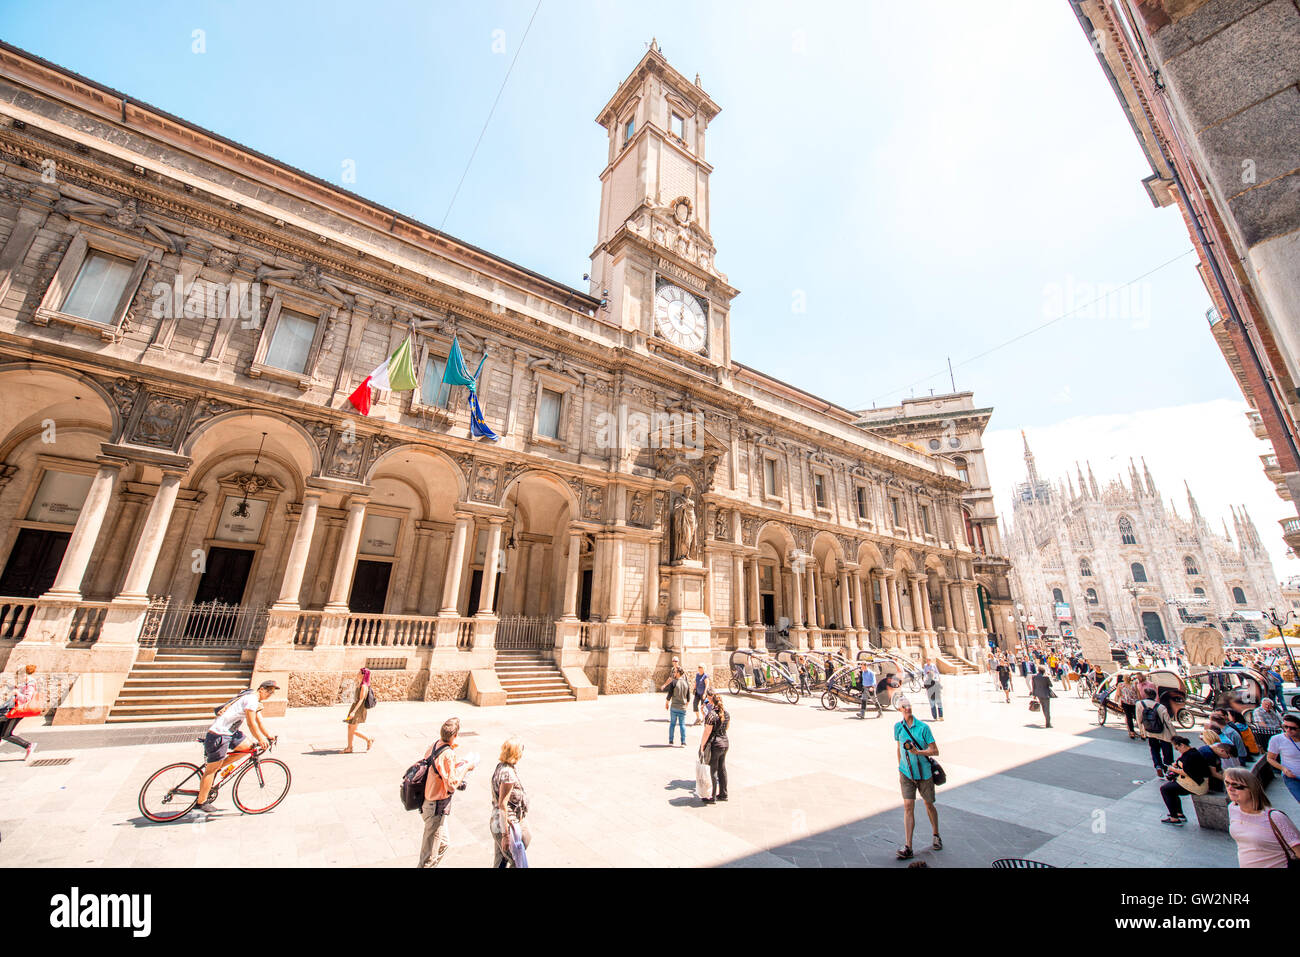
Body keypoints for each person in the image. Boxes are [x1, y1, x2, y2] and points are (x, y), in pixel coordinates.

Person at [193, 680, 278, 814]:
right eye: (268, 691)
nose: (269, 694)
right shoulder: (251, 700)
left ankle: (219, 766)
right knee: (210, 770)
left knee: (249, 747)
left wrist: (269, 735)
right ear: (261, 689)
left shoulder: (253, 700)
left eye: (272, 693)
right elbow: (251, 724)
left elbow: (259, 721)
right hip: (219, 735)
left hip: (230, 733)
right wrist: (261, 738)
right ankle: (201, 802)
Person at [419, 717, 476, 868]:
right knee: (428, 858)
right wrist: (466, 768)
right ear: (455, 735)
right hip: (435, 808)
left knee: (443, 844)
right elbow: (451, 786)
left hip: (427, 803)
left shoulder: (435, 745)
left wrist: (455, 764)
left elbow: (434, 765)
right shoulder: (448, 753)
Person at [893, 696, 940, 860]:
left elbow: (935, 751)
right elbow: (898, 748)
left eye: (909, 705)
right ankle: (908, 846)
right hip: (906, 773)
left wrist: (918, 752)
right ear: (899, 709)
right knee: (908, 806)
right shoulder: (898, 728)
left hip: (924, 774)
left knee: (929, 805)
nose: (907, 708)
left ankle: (936, 834)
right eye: (904, 706)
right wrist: (901, 766)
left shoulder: (923, 727)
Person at [1225, 767, 1300, 867]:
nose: (1230, 788)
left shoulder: (1275, 817)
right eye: (1227, 783)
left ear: (1252, 789)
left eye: (1236, 785)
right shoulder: (1232, 808)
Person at [490, 735, 530, 868]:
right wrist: (506, 835)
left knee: (500, 859)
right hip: (505, 824)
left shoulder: (501, 766)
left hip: (498, 822)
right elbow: (503, 804)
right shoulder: (508, 774)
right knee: (516, 861)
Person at [1158, 736, 1212, 825]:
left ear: (1182, 745)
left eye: (1177, 748)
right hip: (1197, 783)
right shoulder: (1192, 753)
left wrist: (1173, 769)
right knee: (1171, 789)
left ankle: (1174, 817)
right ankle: (1178, 814)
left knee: (1165, 789)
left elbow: (1187, 772)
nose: (1177, 750)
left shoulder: (1191, 755)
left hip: (1197, 785)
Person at [1, 663, 39, 762]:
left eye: (19, 673)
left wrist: (17, 693)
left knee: (6, 734)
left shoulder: (30, 683)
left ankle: (28, 745)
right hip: (11, 709)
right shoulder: (24, 683)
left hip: (16, 711)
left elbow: (27, 698)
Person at [1135, 688, 1174, 775]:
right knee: (1167, 749)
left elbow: (1139, 719)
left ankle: (1158, 765)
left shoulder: (1139, 704)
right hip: (1163, 732)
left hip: (1150, 731)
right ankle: (1168, 767)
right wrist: (1174, 735)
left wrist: (1142, 732)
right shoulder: (1161, 707)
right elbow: (1168, 722)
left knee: (1154, 749)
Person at [700, 690, 729, 804]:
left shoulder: (711, 715)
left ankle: (712, 796)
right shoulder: (726, 713)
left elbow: (707, 732)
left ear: (712, 702)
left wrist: (702, 745)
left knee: (713, 769)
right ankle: (723, 794)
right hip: (725, 742)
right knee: (722, 768)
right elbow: (726, 728)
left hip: (715, 744)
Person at [1266, 713, 1300, 805]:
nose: (1288, 730)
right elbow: (1270, 758)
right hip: (1292, 777)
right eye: (1285, 727)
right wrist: (1283, 769)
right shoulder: (1277, 739)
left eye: (1292, 728)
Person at [343, 667, 374, 753]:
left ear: (363, 675)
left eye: (359, 672)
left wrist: (353, 711)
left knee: (353, 729)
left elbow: (361, 700)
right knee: (350, 727)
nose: (357, 673)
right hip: (355, 707)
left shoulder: (364, 686)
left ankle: (368, 739)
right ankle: (350, 747)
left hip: (358, 709)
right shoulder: (360, 684)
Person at [667, 667, 691, 747]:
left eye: (675, 672)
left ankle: (671, 741)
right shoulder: (686, 683)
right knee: (682, 725)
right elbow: (688, 698)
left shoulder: (673, 682)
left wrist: (667, 703)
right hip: (682, 707)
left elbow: (669, 694)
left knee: (672, 724)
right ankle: (683, 742)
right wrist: (685, 706)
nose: (674, 673)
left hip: (674, 706)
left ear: (678, 673)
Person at [1118, 674, 1140, 739]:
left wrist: (1118, 700)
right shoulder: (1134, 685)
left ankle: (1132, 732)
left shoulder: (1120, 685)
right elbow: (1138, 694)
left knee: (1129, 717)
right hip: (1134, 703)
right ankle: (1142, 732)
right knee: (1137, 717)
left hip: (1126, 703)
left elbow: (1119, 694)